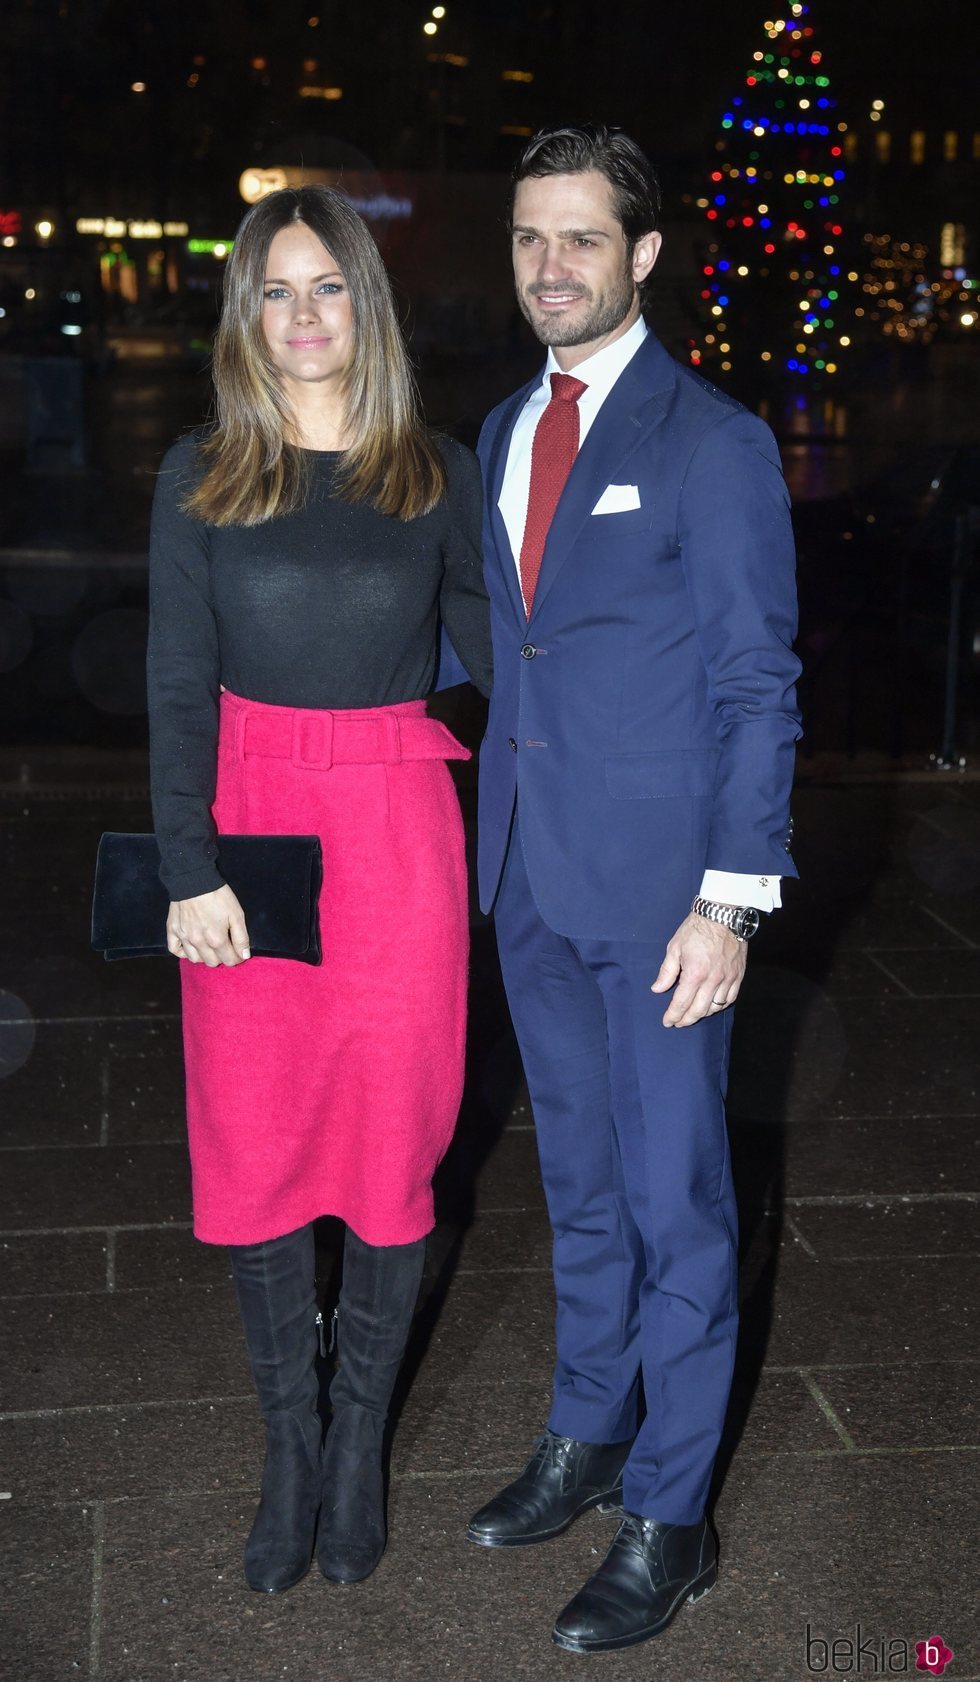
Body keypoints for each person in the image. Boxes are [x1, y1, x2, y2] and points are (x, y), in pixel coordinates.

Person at [465, 125, 801, 1654]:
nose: (552, 266)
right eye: (532, 239)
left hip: (669, 905)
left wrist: (731, 901)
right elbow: (501, 649)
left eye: (582, 239)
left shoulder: (711, 441)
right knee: (580, 1191)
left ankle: (673, 1513)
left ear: (644, 254)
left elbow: (754, 681)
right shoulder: (497, 432)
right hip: (533, 878)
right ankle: (589, 1433)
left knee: (679, 1209)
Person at [146, 185, 491, 1595]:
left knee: (392, 1138)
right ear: (247, 312)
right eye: (276, 290)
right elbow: (174, 683)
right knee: (259, 1139)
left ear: (368, 302)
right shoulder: (201, 471)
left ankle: (361, 1444)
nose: (302, 315)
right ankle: (292, 1444)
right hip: (249, 828)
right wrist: (186, 868)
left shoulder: (436, 469)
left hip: (398, 831)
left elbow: (500, 654)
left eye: (328, 286)